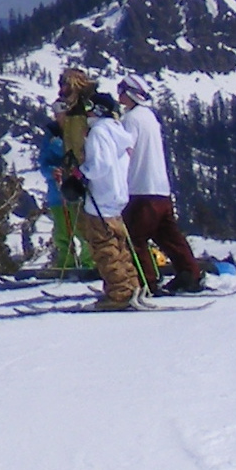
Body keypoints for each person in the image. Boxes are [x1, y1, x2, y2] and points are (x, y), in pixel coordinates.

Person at [116, 77, 206, 294]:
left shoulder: (131, 120)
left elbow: (126, 151)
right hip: (161, 189)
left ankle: (146, 281)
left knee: (134, 238)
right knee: (169, 236)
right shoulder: (151, 118)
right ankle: (190, 274)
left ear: (129, 94)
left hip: (140, 189)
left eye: (121, 90)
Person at [67, 87, 143, 311]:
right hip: (117, 197)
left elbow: (100, 165)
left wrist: (82, 172)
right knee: (120, 246)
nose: (87, 113)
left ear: (98, 111)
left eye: (89, 108)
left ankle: (119, 293)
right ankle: (131, 285)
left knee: (104, 248)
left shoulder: (99, 132)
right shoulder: (117, 131)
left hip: (100, 198)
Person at [37, 120, 88, 276]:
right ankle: (66, 262)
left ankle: (89, 262)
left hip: (78, 190)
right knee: (62, 232)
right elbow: (43, 163)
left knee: (84, 230)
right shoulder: (51, 133)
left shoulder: (80, 128)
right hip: (57, 192)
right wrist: (52, 171)